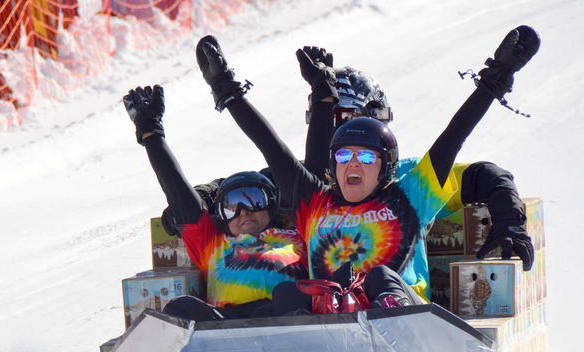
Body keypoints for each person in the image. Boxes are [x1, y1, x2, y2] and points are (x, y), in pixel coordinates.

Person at [194, 26, 540, 313]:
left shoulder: (408, 190)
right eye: (343, 155)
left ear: (385, 162)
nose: (354, 164)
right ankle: (262, 339)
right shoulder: (315, 202)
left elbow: (455, 138)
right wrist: (227, 90)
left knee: (378, 276)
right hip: (331, 314)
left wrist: (497, 77)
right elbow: (270, 153)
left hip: (400, 313)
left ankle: (388, 316)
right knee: (289, 294)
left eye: (367, 156)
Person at [298, 52, 534, 272]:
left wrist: (510, 221)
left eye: (348, 119)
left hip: (393, 302)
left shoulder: (408, 178)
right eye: (327, 119)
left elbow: (487, 175)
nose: (338, 131)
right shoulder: (294, 181)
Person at [123, 85, 308, 321]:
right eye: (230, 206)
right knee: (181, 309)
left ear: (271, 203)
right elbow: (179, 193)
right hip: (225, 323)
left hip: (284, 316)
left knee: (288, 293)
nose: (242, 212)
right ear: (220, 216)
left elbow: (300, 171)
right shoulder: (213, 244)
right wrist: (151, 134)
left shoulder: (299, 233)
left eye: (253, 199)